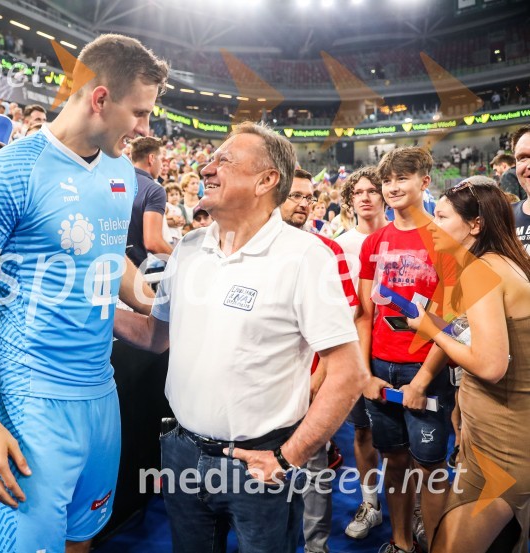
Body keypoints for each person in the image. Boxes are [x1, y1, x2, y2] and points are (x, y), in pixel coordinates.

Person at [0, 33, 167, 553]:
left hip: (100, 392)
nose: (145, 129)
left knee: (82, 538)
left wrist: (158, 305)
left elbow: (110, 259)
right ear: (101, 98)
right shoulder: (8, 172)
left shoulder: (119, 173)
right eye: (140, 112)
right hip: (30, 396)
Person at [115, 122, 365, 553]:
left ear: (266, 180)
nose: (206, 169)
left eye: (223, 160)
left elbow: (348, 372)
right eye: (209, 159)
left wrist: (289, 457)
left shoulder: (306, 257)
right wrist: (98, 314)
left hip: (260, 463)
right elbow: (158, 336)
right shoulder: (189, 248)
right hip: (181, 452)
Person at [405, 176, 530, 553]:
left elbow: (491, 365)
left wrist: (430, 328)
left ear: (474, 224)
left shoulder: (480, 271)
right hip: (497, 430)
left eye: (441, 216)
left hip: (502, 442)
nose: (432, 224)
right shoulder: (503, 262)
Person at [356, 147, 456, 553]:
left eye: (402, 178)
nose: (393, 187)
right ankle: (400, 542)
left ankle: (435, 544)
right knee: (393, 462)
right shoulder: (374, 243)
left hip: (426, 371)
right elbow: (364, 316)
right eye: (388, 181)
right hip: (381, 369)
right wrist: (364, 373)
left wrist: (422, 380)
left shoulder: (446, 242)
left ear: (424, 182)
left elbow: (450, 323)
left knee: (431, 468)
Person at [280, 167, 360, 553]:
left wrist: (317, 384)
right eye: (295, 195)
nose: (304, 203)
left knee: (314, 472)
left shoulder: (328, 251)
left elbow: (345, 328)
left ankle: (315, 547)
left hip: (312, 385)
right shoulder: (247, 251)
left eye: (308, 197)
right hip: (264, 389)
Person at [335, 166, 389, 540]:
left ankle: (413, 508)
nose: (366, 197)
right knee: (363, 433)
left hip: (399, 352)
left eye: (373, 190)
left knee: (404, 442)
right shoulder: (339, 244)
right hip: (355, 352)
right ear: (350, 201)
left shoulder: (404, 237)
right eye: (358, 192)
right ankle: (371, 503)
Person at [127, 136, 172, 268]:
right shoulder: (154, 189)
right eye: (162, 160)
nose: (162, 165)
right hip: (135, 272)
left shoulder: (114, 181)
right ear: (152, 159)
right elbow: (153, 242)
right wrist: (180, 263)